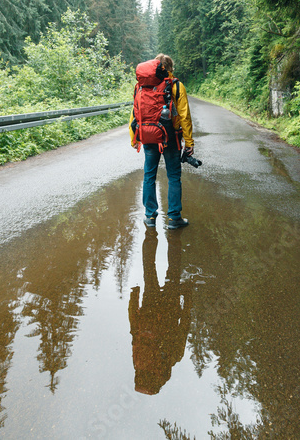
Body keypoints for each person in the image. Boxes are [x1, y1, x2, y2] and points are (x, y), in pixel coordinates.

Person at [129, 53, 194, 229]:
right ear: (170, 68)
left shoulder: (141, 88)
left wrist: (133, 137)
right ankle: (174, 218)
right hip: (170, 138)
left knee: (149, 175)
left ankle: (150, 216)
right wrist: (189, 142)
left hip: (148, 138)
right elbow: (184, 116)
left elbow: (135, 114)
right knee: (173, 176)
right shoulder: (176, 86)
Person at [129, 229, 192, 394]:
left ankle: (174, 236)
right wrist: (133, 296)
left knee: (173, 270)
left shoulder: (172, 358)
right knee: (149, 270)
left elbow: (184, 327)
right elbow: (134, 328)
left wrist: (188, 300)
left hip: (169, 310)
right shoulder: (137, 361)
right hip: (149, 307)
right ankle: (150, 234)